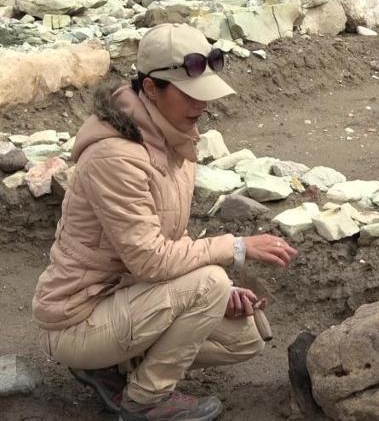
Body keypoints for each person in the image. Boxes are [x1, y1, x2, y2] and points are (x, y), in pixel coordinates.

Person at [32, 23, 299, 421]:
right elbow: (150, 260)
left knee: (245, 337)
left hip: (125, 299)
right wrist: (234, 249)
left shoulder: (172, 138)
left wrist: (212, 296)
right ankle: (144, 401)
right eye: (189, 94)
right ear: (152, 89)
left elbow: (166, 241)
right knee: (211, 281)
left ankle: (112, 369)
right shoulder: (116, 157)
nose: (201, 105)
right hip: (78, 319)